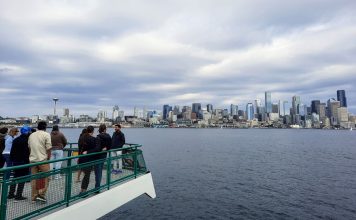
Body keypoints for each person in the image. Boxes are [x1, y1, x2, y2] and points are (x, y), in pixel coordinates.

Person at [28, 121, 52, 203]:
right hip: (42, 160)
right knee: (47, 177)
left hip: (33, 160)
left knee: (34, 179)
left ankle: (34, 197)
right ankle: (41, 195)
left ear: (37, 127)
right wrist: (48, 158)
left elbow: (29, 148)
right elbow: (49, 148)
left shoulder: (31, 135)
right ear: (45, 127)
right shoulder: (46, 134)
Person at [8, 126, 31, 201]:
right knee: (22, 178)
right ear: (27, 132)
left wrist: (12, 160)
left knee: (15, 177)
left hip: (15, 161)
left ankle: (11, 194)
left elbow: (12, 151)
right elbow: (27, 153)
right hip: (24, 162)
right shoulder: (27, 141)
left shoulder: (16, 140)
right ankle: (19, 195)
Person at [79, 126, 97, 195]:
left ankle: (82, 190)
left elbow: (80, 147)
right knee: (87, 176)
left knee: (85, 175)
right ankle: (83, 191)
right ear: (92, 131)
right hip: (89, 159)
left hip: (81, 158)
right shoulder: (93, 139)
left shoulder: (81, 138)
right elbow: (96, 149)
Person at [94, 124, 111, 192]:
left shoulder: (98, 137)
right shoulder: (108, 136)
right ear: (105, 129)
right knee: (99, 170)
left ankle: (97, 188)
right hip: (104, 154)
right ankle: (97, 187)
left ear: (99, 129)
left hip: (98, 155)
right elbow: (111, 145)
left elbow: (97, 148)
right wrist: (106, 148)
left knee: (97, 171)